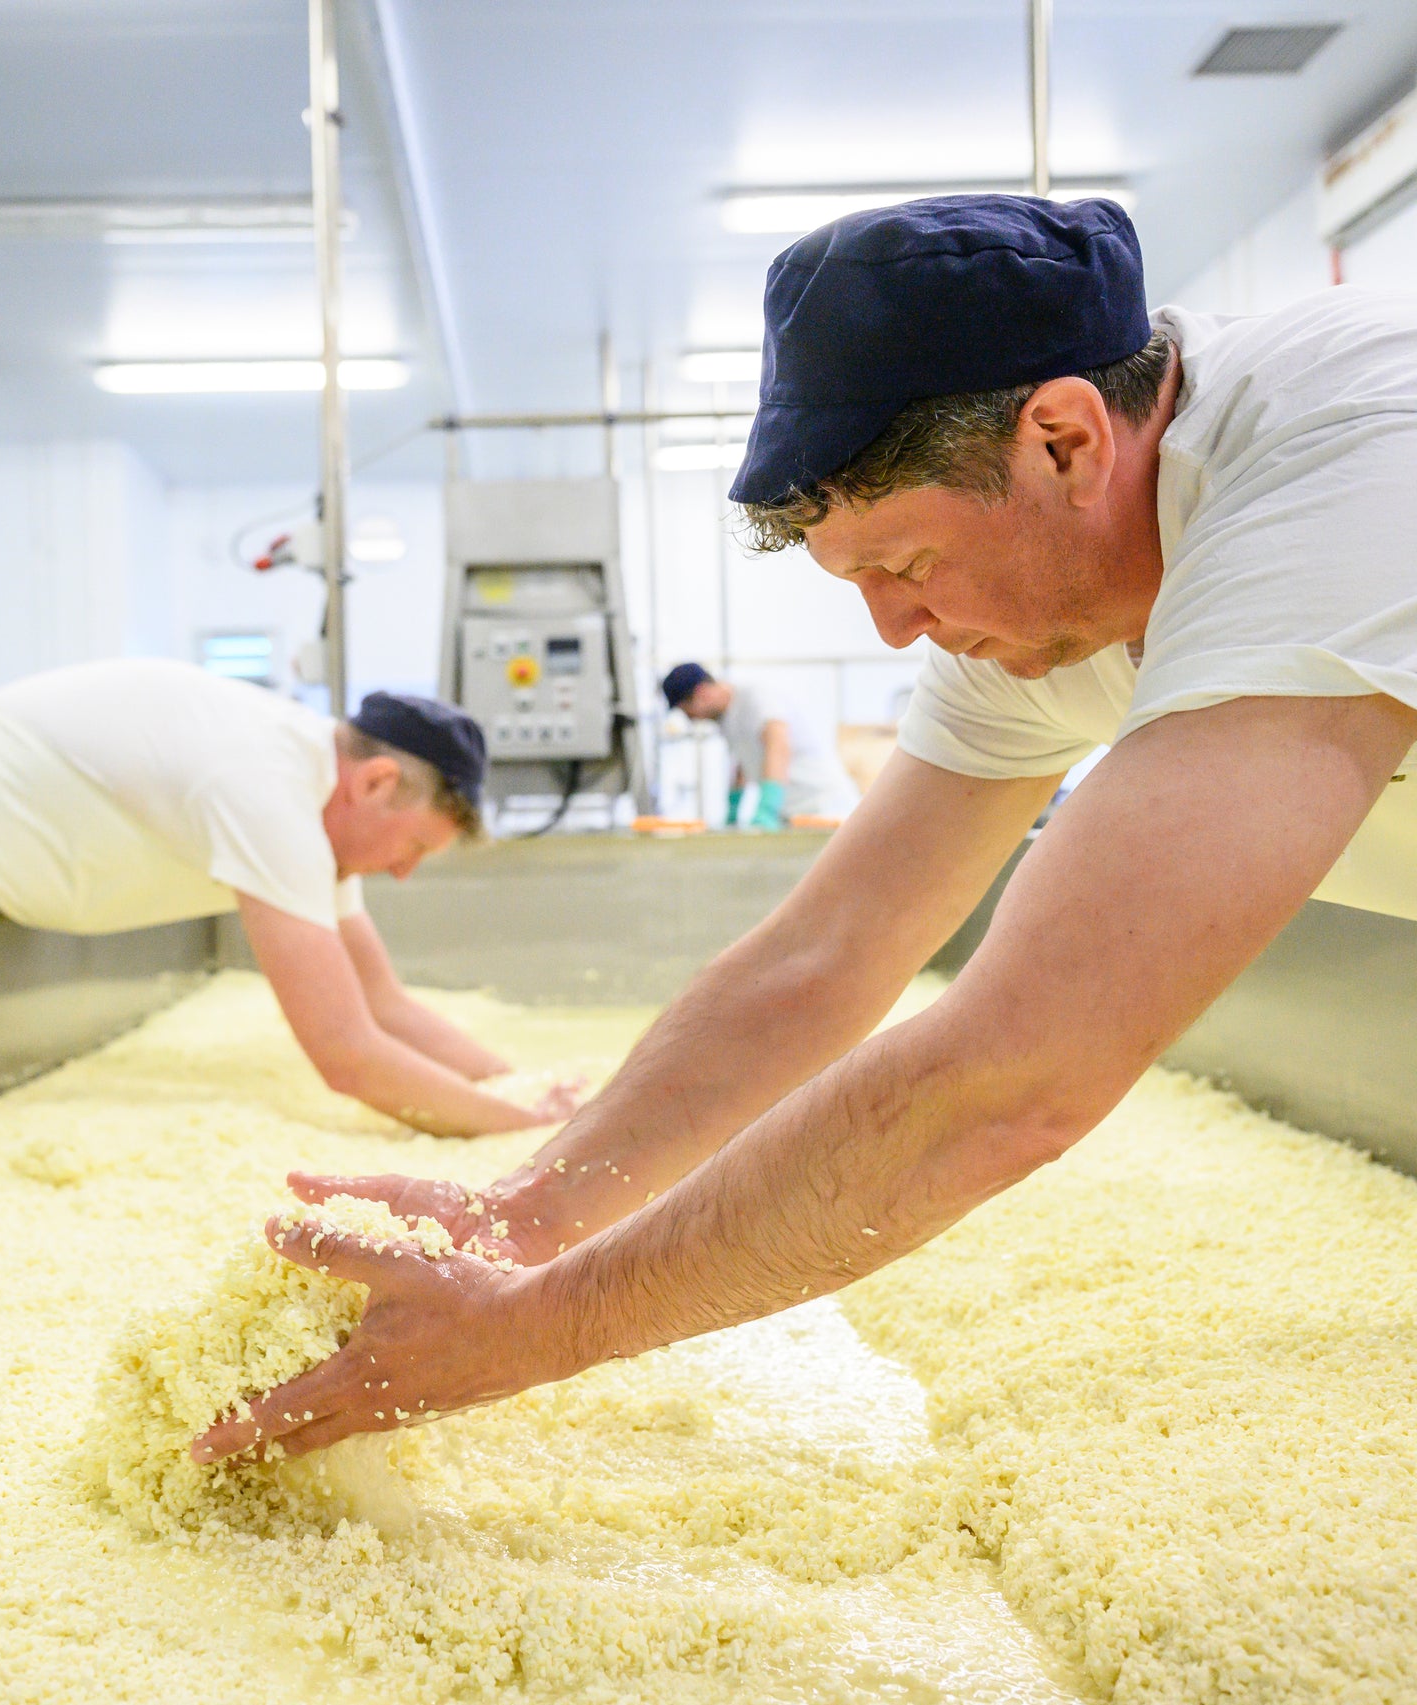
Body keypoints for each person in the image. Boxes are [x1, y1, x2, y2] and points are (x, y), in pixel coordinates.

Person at [192, 195, 1417, 1464]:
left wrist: (534, 1326)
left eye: (906, 564)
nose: (893, 630)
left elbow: (1017, 1074)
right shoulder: (1026, 593)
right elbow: (819, 957)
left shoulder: (1348, 449)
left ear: (1063, 440)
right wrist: (519, 1219)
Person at [0, 659, 577, 1137]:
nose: (403, 873)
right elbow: (348, 1053)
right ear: (376, 783)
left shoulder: (312, 796)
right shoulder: (267, 789)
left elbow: (386, 1005)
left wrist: (515, 1084)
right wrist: (513, 1126)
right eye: (412, 848)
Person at [659, 662, 860, 827]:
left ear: (702, 693)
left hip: (823, 807)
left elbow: (778, 745)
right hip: (791, 813)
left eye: (688, 711)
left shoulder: (756, 697)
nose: (692, 719)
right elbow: (742, 764)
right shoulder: (725, 718)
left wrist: (767, 807)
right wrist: (733, 809)